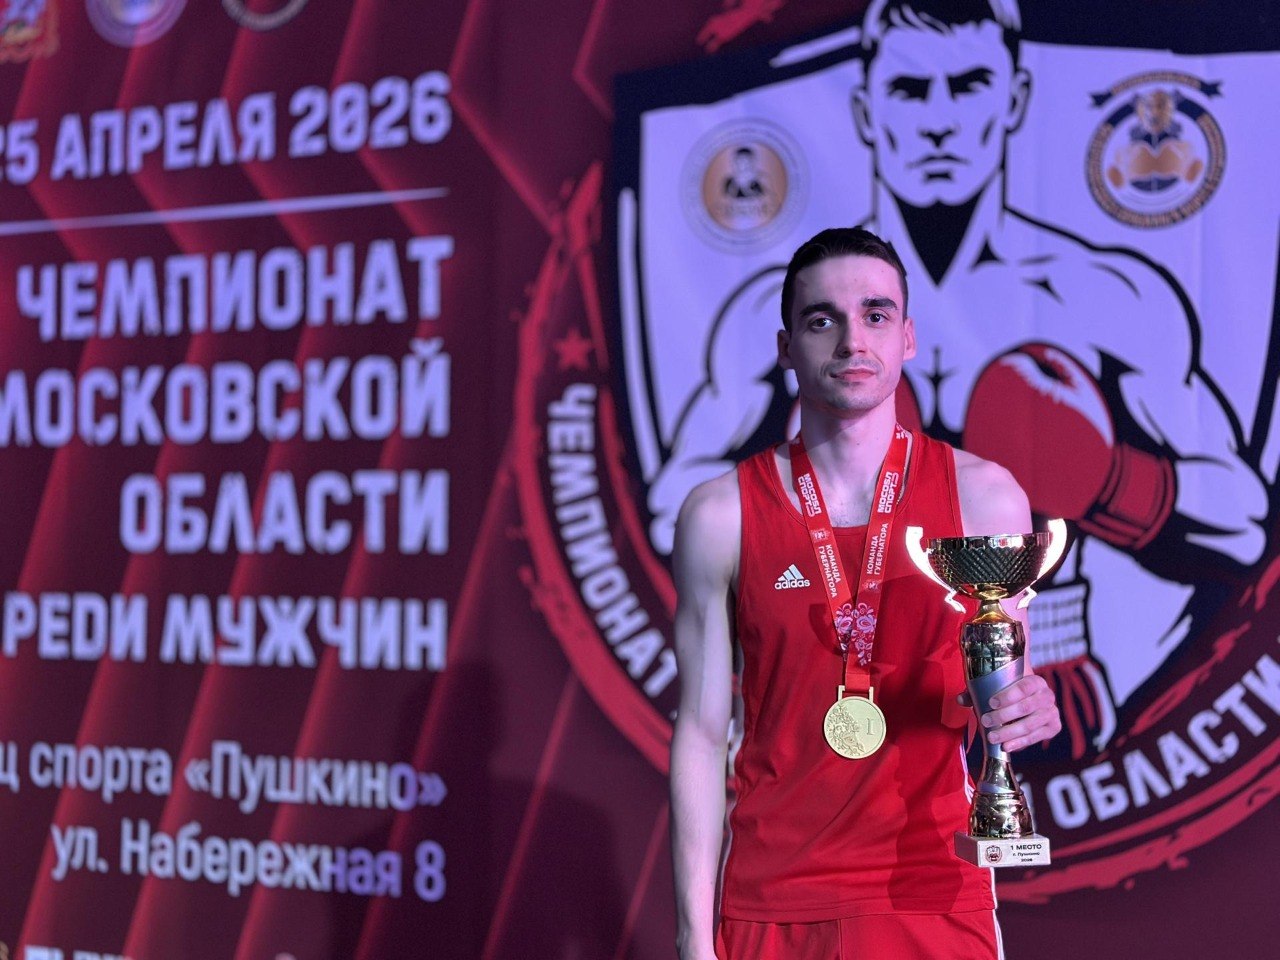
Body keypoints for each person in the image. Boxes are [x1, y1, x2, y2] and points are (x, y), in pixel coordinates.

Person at [649, 0, 1267, 759]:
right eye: (911, 90)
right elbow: (675, 508)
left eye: (968, 85)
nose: (939, 121)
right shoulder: (776, 316)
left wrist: (1111, 480)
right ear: (866, 108)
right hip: (827, 692)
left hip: (1037, 691)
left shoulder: (1112, 296)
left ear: (1014, 97)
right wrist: (798, 492)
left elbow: (1243, 518)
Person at [669, 227, 1061, 960]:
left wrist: (1027, 706)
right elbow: (699, 731)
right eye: (823, 320)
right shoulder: (720, 515)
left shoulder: (985, 500)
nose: (853, 340)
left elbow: (1001, 694)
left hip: (933, 892)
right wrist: (695, 936)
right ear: (786, 347)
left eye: (875, 315)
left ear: (907, 337)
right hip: (773, 899)